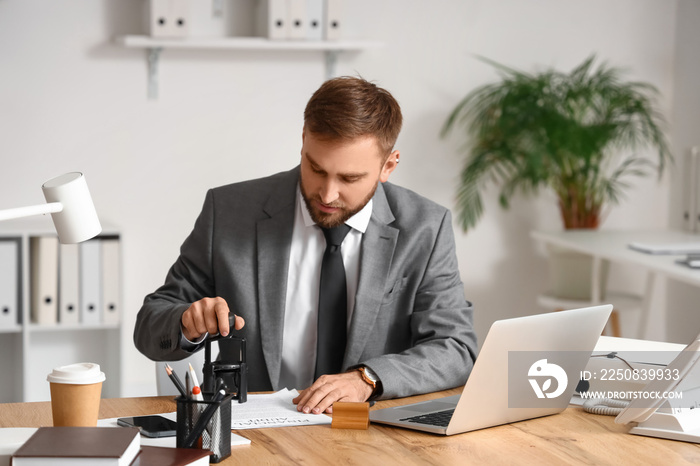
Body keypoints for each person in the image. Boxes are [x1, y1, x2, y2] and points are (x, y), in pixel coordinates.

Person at [134, 76, 477, 415]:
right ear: (303, 140)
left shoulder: (426, 228)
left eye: (349, 178)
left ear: (388, 165)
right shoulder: (228, 211)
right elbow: (150, 326)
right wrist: (186, 323)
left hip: (369, 436)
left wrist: (367, 379)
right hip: (252, 436)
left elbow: (455, 347)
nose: (327, 195)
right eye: (316, 168)